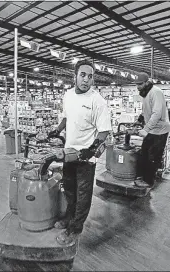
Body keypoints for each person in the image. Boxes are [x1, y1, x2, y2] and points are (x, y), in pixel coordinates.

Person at [48, 59, 112, 245]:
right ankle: (69, 218)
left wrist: (91, 150)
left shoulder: (97, 101)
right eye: (82, 75)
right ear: (74, 76)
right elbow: (67, 116)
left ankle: (75, 230)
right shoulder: (68, 95)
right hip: (69, 153)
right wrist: (58, 129)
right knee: (69, 191)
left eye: (90, 76)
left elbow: (104, 130)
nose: (86, 80)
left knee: (83, 195)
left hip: (86, 158)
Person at [133, 72, 170, 188]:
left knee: (153, 158)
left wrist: (146, 129)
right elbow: (146, 110)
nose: (138, 86)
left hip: (159, 131)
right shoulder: (146, 94)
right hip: (152, 130)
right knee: (144, 153)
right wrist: (140, 119)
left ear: (147, 82)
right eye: (137, 84)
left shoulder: (156, 92)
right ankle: (142, 176)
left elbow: (157, 113)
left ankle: (148, 181)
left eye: (140, 84)